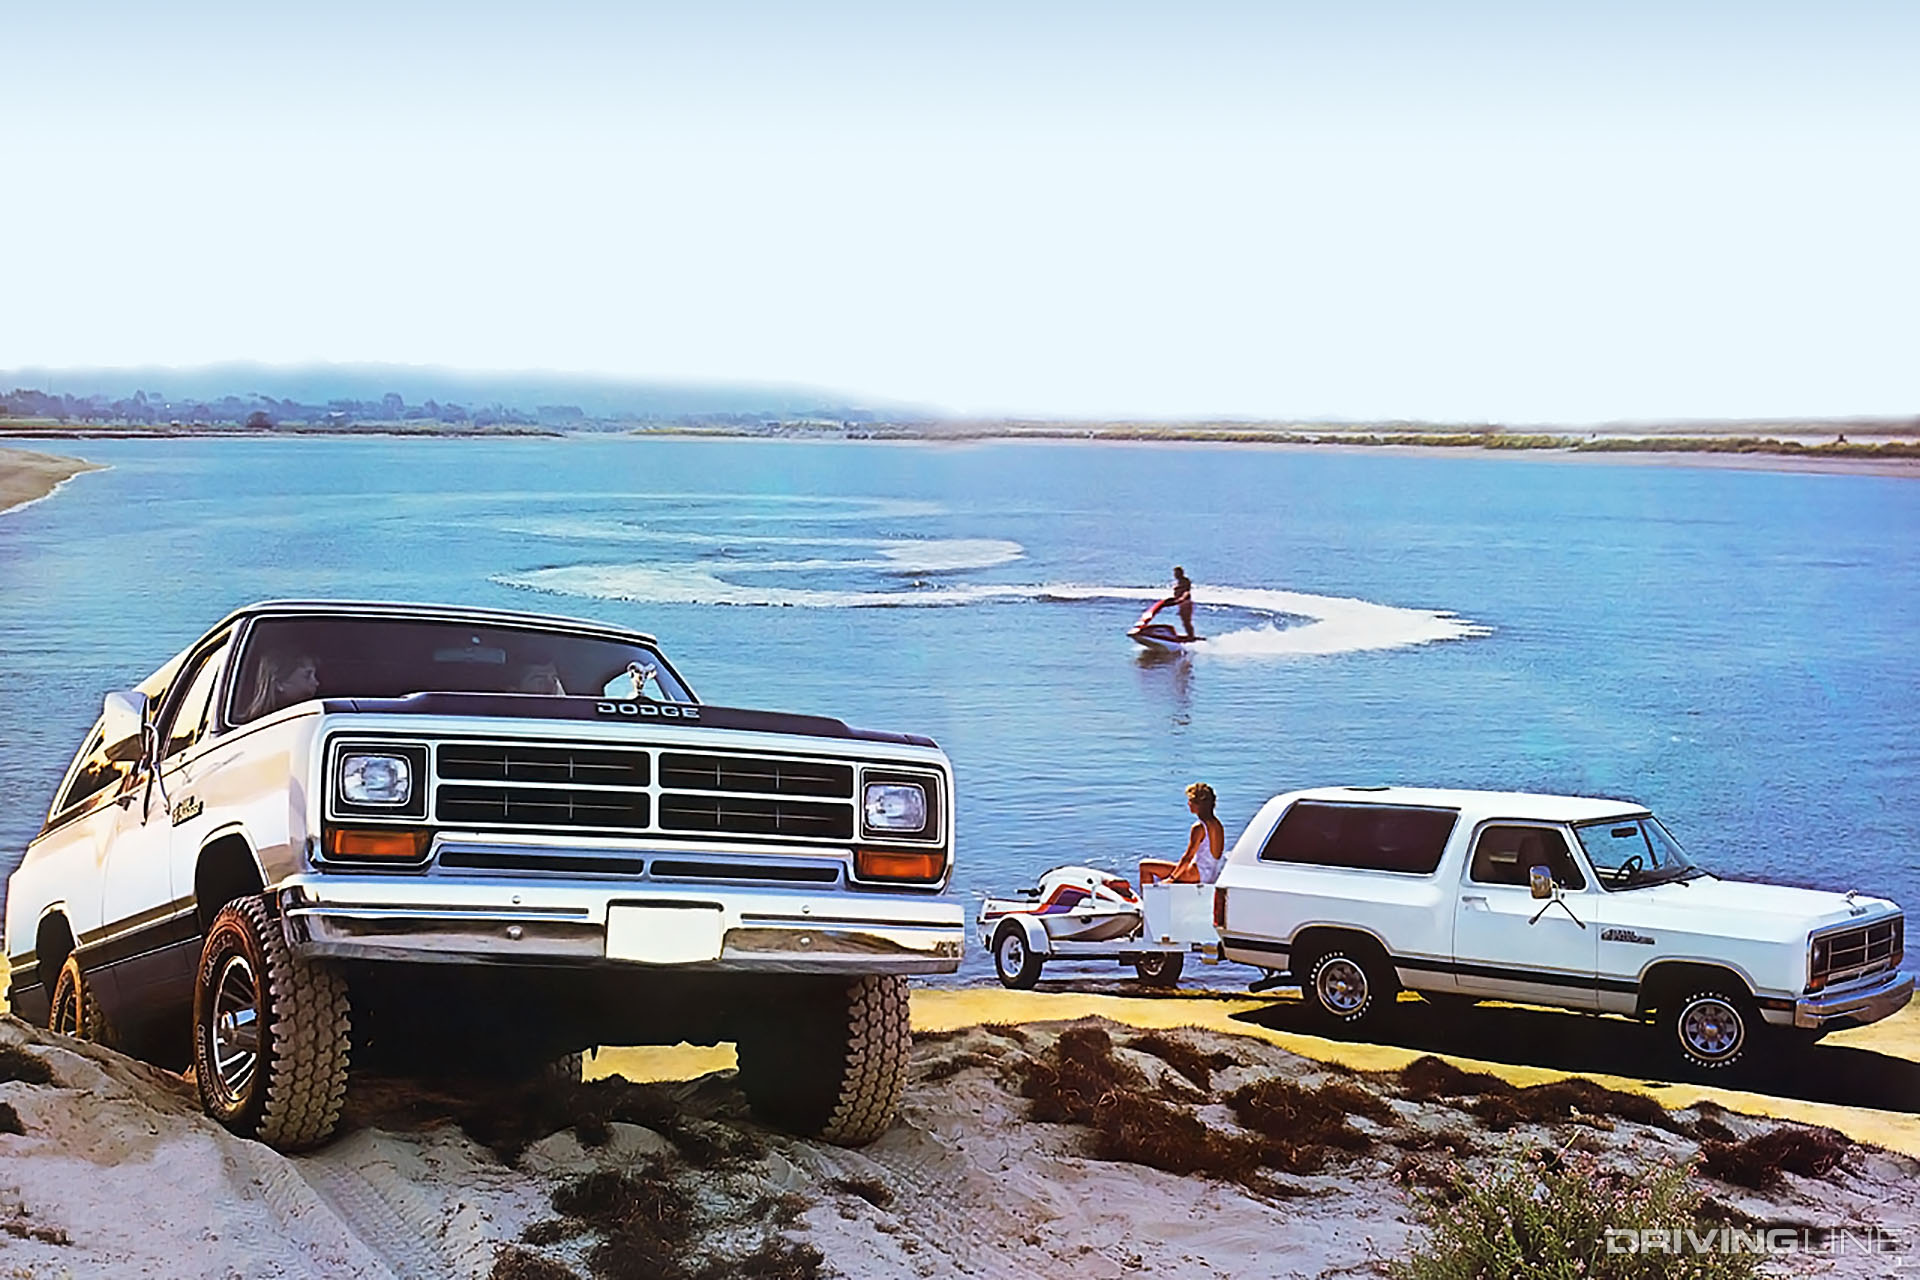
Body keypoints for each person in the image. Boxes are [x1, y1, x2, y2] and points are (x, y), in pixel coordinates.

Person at [1139, 782, 1226, 885]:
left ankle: (1149, 899)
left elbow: (1188, 856)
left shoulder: (1199, 827)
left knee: (1145, 865)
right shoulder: (1217, 824)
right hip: (1211, 874)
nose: (1188, 804)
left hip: (1196, 873)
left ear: (1198, 805)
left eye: (1190, 801)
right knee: (1171, 866)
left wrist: (1172, 878)